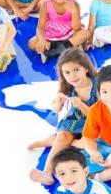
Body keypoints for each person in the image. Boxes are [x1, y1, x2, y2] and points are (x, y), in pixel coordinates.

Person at [28, 48, 98, 185]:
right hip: (74, 121)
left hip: (94, 123)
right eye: (67, 72)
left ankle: (51, 141)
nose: (72, 76)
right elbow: (55, 108)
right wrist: (58, 103)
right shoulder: (68, 86)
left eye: (76, 70)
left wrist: (81, 105)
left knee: (88, 144)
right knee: (63, 136)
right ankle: (47, 173)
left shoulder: (98, 85)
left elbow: (99, 117)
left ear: (86, 68)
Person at [28, 0, 89, 64]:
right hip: (52, 34)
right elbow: (40, 27)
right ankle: (69, 49)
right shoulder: (45, 5)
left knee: (85, 33)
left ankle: (54, 51)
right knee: (31, 43)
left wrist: (74, 12)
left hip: (69, 33)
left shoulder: (74, 4)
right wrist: (42, 39)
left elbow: (77, 29)